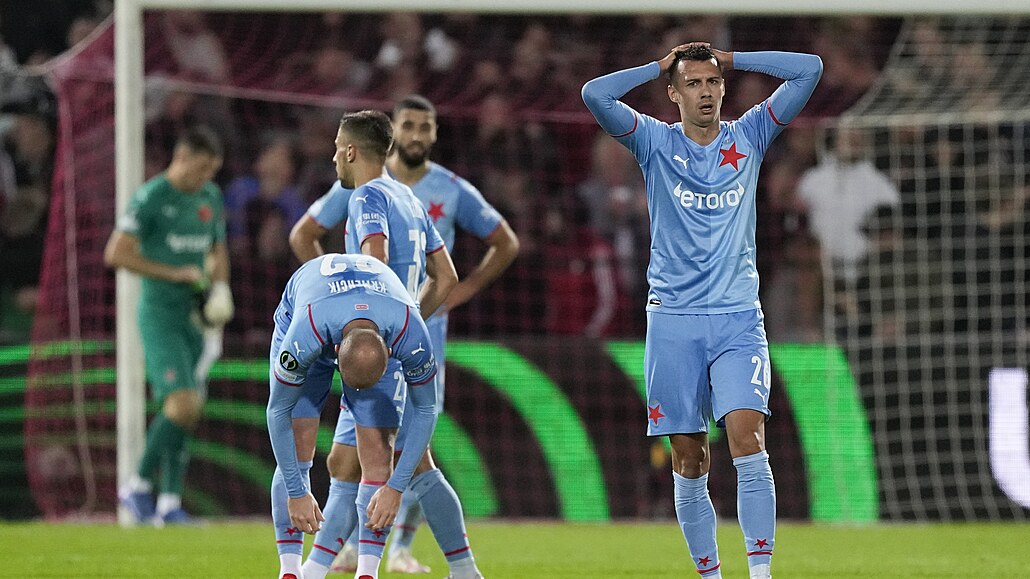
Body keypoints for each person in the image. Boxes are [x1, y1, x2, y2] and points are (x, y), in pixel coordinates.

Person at [582, 43, 822, 579]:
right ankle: (709, 574)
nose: (706, 92)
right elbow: (593, 94)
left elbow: (811, 70)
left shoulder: (751, 134)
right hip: (672, 321)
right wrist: (657, 64)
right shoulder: (653, 141)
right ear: (674, 93)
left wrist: (730, 57)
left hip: (738, 319)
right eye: (692, 83)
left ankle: (760, 574)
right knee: (690, 460)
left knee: (747, 438)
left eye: (713, 82)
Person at [290, 95, 517, 575]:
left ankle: (450, 569)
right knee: (347, 463)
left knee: (393, 463)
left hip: (374, 351)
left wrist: (371, 328)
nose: (333, 156)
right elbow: (448, 276)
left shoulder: (368, 196)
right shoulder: (409, 198)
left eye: (336, 148)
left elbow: (374, 259)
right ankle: (322, 569)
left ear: (351, 152)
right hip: (401, 345)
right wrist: (410, 322)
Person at [266, 252, 441, 579]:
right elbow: (277, 410)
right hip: (309, 306)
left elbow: (427, 409)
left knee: (379, 453)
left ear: (391, 354)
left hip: (372, 313)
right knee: (299, 440)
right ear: (333, 354)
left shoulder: (409, 330)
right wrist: (296, 491)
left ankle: (367, 574)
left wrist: (396, 488)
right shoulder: (305, 334)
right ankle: (289, 571)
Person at [104, 126, 234, 525]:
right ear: (180, 157)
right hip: (161, 315)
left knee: (187, 411)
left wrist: (221, 289)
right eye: (200, 168)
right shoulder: (151, 197)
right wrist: (171, 273)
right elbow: (116, 254)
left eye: (211, 170)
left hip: (196, 318)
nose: (205, 177)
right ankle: (138, 485)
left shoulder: (209, 198)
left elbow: (217, 250)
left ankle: (169, 504)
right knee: (182, 403)